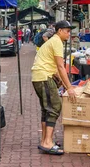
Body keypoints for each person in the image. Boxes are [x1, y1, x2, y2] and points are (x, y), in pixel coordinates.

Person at [31, 20, 77, 155]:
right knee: (55, 107)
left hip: (40, 77)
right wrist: (69, 87)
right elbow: (60, 66)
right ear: (60, 31)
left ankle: (45, 140)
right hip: (44, 77)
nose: (69, 34)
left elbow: (54, 66)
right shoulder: (57, 42)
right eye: (67, 31)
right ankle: (47, 143)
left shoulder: (53, 41)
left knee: (47, 109)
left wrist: (62, 82)